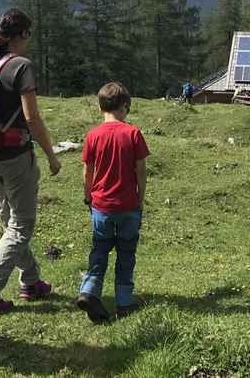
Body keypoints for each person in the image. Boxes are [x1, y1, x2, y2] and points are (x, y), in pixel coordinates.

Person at [0, 8, 62, 315]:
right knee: (21, 227)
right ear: (22, 34)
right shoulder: (22, 66)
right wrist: (51, 154)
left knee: (10, 223)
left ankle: (31, 281)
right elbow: (32, 116)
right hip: (15, 157)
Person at [77, 82, 149, 324]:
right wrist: (139, 199)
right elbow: (141, 172)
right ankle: (125, 303)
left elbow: (87, 172)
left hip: (101, 207)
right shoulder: (133, 133)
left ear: (100, 106)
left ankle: (89, 291)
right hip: (128, 206)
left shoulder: (93, 135)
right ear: (125, 107)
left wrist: (89, 196)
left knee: (99, 249)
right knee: (126, 252)